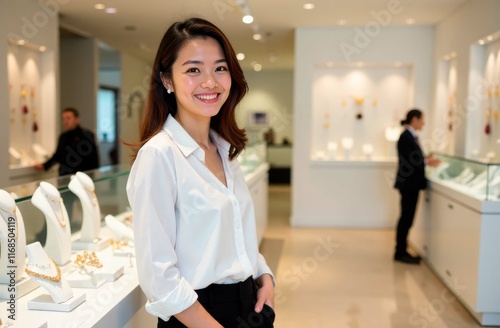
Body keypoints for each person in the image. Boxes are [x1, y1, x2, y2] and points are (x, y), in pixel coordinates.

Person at [126, 18, 275, 328]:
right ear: (167, 80)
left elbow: (238, 236)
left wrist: (265, 278)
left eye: (220, 68)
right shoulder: (159, 156)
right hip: (197, 316)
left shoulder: (224, 149)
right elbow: (158, 275)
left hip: (249, 305)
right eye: (193, 70)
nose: (211, 82)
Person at [393, 109, 440, 264]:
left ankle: (402, 250)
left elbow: (415, 158)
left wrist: (426, 160)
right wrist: (427, 162)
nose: (423, 123)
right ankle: (400, 252)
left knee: (407, 218)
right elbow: (410, 161)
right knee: (406, 218)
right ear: (414, 119)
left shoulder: (410, 137)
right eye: (422, 120)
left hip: (411, 184)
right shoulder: (405, 137)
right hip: (408, 185)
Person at [34, 107, 100, 176]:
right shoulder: (63, 136)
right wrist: (44, 165)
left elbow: (93, 159)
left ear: (77, 120)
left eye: (68, 118)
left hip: (81, 177)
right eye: (63, 119)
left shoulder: (87, 135)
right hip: (64, 176)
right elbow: (57, 155)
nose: (65, 121)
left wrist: (93, 176)